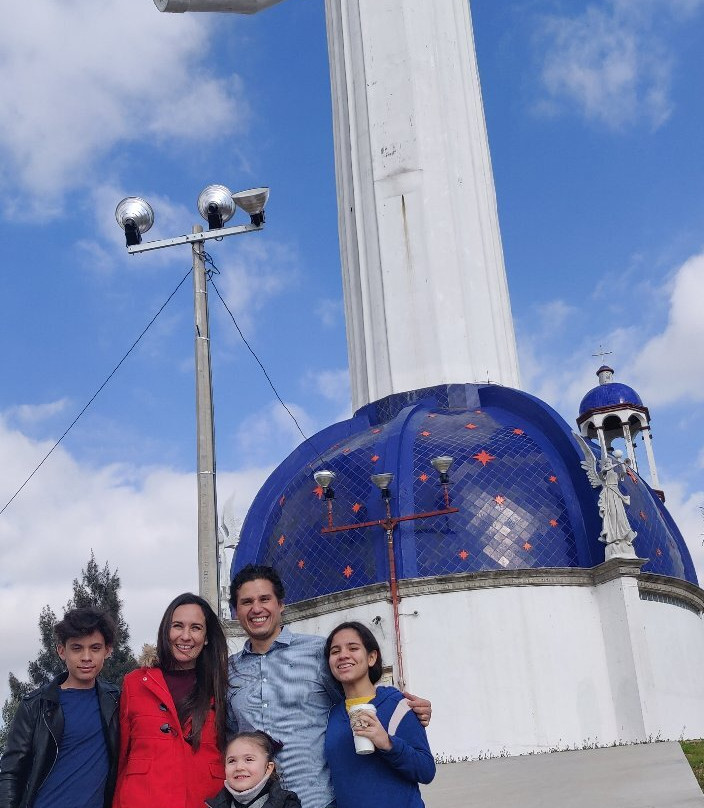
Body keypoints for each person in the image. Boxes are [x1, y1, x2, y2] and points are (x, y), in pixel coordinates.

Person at [226, 564, 432, 808]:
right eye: (246, 602)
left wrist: (403, 706)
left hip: (317, 801)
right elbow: (231, 733)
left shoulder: (318, 652)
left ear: (280, 604)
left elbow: (356, 694)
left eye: (264, 599)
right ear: (236, 611)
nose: (256, 608)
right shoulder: (228, 671)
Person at [113, 593, 229, 808]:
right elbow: (122, 755)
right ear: (166, 631)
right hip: (143, 799)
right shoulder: (134, 682)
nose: (185, 636)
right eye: (177, 626)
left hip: (204, 799)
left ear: (206, 637)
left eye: (196, 628)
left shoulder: (221, 685)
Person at [0, 606, 120, 808]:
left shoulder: (116, 702)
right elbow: (11, 772)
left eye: (95, 648)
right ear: (62, 651)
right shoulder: (35, 705)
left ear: (107, 651)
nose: (86, 657)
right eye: (77, 648)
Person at [324, 621, 435, 808]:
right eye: (335, 651)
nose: (343, 655)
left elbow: (426, 771)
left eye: (353, 648)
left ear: (371, 657)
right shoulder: (330, 715)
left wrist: (387, 743)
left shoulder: (399, 706)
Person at [206, 731, 301, 808]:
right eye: (232, 761)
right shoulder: (216, 804)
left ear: (268, 768)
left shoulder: (287, 804)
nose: (239, 767)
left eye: (249, 759)